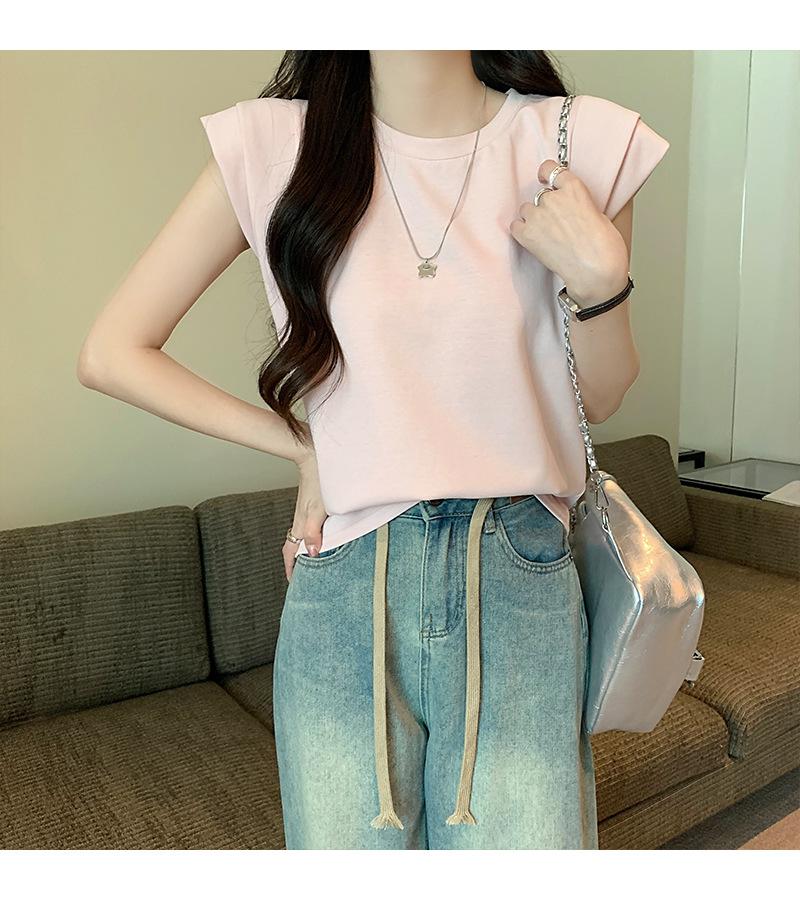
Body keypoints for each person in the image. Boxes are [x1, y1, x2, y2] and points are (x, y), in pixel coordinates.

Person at [77, 50, 670, 850]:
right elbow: (112, 352)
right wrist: (305, 450)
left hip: (519, 579)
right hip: (346, 585)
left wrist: (602, 283)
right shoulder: (273, 145)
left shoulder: (578, 140)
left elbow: (598, 396)